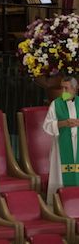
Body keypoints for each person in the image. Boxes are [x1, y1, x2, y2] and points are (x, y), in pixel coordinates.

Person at [43, 77, 79, 205]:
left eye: (66, 88)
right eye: (62, 87)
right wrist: (64, 123)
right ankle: (58, 205)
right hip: (61, 147)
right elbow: (47, 125)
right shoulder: (56, 104)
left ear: (75, 88)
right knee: (60, 174)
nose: (63, 91)